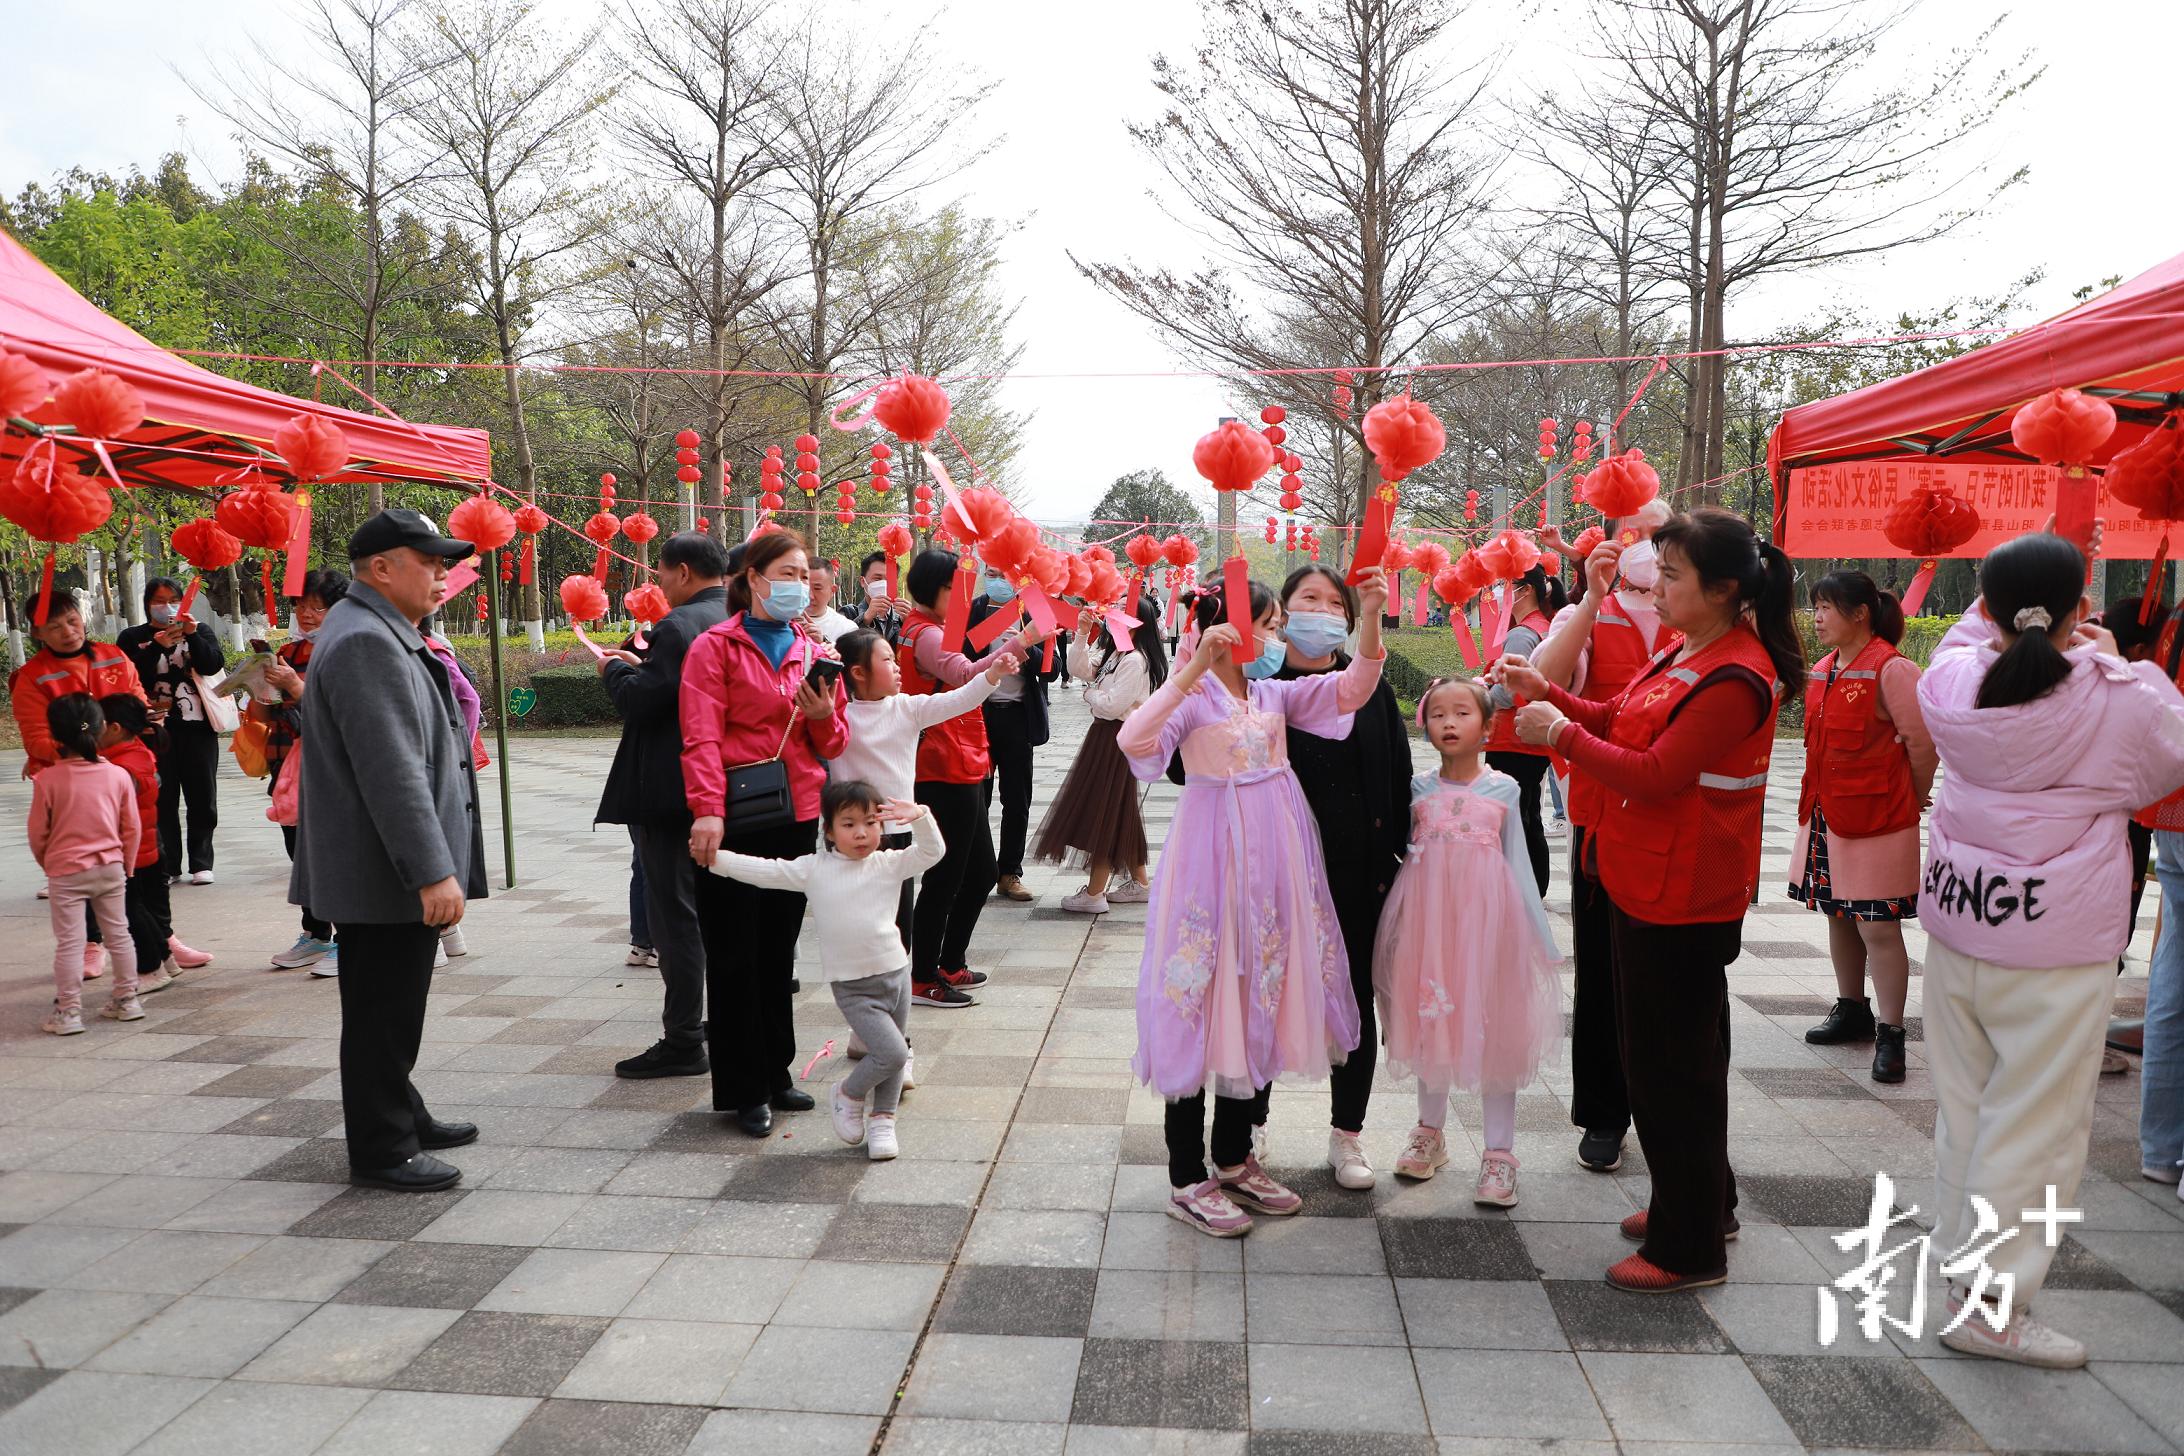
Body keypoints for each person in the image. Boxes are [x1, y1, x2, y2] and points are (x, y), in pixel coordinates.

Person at [1505, 507, 1801, 1294]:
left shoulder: (1736, 675)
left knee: (1672, 1069)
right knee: (1679, 1060)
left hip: (1685, 888)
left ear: (1726, 590)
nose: (1656, 587)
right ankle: (1702, 1201)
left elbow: (1660, 771)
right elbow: (1622, 721)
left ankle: (1687, 1246)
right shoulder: (1687, 649)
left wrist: (1557, 738)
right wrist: (1555, 699)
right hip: (1642, 871)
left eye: (1671, 576)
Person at [1913, 530, 2184, 1366]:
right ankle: (1991, 1309)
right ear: (2080, 611)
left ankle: (1965, 1277)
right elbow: (2167, 756)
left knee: (1968, 1112)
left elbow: (1969, 637)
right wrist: (2121, 661)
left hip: (1960, 930)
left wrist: (2026, 616)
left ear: (1986, 607)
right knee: (2038, 1131)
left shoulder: (1951, 681)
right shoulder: (2122, 697)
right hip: (2059, 948)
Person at [1117, 569, 1389, 1237]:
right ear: (1228, 631)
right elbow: (1135, 742)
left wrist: (1375, 614)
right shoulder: (1194, 697)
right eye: (1267, 626)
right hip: (1210, 863)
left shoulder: (1274, 692)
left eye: (1273, 626)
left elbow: (1353, 687)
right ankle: (1187, 1174)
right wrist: (1187, 671)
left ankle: (1234, 1155)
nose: (1277, 637)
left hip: (1274, 861)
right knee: (1197, 997)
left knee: (1256, 989)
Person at [292, 508, 486, 1192]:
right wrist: (432, 871)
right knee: (382, 1010)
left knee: (393, 1003)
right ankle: (382, 1147)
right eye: (429, 560)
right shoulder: (367, 641)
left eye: (443, 561)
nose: (442, 573)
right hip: (385, 871)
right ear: (381, 568)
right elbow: (392, 770)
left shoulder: (378, 630)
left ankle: (401, 1109)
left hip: (383, 866)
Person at [681, 527, 847, 1135]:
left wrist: (825, 717)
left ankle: (776, 1072)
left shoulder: (813, 651)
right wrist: (706, 808)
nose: (798, 586)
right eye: (787, 574)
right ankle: (744, 1086)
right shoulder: (715, 647)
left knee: (778, 951)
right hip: (730, 812)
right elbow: (699, 735)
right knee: (732, 952)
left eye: (805, 576)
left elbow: (833, 743)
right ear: (753, 579)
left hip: (795, 812)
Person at [1528, 496, 1676, 1173]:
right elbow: (1546, 684)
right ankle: (1605, 1116)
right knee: (1604, 968)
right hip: (1600, 818)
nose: (1647, 546)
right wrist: (1590, 595)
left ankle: (1670, 1113)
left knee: (1674, 976)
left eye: (1659, 534)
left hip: (1678, 819)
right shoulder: (1585, 613)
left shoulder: (1696, 617)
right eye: (1635, 533)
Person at [1374, 678, 1560, 1203]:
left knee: (1495, 1029)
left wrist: (1538, 936)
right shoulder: (1418, 790)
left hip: (1491, 928)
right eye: (1438, 714)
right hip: (1429, 927)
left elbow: (1517, 860)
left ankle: (1499, 1154)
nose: (1449, 723)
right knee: (1431, 1021)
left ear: (1488, 727)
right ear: (1424, 724)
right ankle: (1428, 1133)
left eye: (1462, 713)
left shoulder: (1503, 788)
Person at [1265, 565, 1411, 1190]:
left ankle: (1347, 1134)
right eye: (1308, 599)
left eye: (1334, 603)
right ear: (1284, 607)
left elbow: (1397, 770)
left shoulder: (1367, 686)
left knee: (1352, 995)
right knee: (1265, 994)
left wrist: (1394, 857)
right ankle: (1250, 1125)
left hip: (1355, 870)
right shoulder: (1256, 685)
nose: (1321, 611)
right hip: (1274, 870)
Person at [704, 781, 945, 1160]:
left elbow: (933, 851)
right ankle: (848, 1093)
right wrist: (715, 860)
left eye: (869, 822)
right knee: (894, 1053)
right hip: (853, 986)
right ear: (829, 831)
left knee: (893, 1057)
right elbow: (765, 871)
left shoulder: (888, 863)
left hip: (895, 974)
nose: (861, 833)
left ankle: (883, 1120)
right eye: (848, 824)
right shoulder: (814, 869)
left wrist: (921, 817)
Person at [1791, 571, 1935, 1082]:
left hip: (1880, 816)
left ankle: (1891, 1034)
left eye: (1827, 607)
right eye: (1815, 607)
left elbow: (1923, 745)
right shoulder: (1823, 668)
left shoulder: (1893, 670)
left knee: (1878, 924)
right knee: (1837, 914)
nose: (1818, 617)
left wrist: (1912, 799)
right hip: (1828, 812)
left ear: (1861, 614)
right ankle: (1851, 1008)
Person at [596, 531, 730, 1079]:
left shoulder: (679, 626)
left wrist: (616, 668)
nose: (660, 584)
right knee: (718, 915)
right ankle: (720, 1026)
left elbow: (643, 700)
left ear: (681, 572)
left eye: (661, 574)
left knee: (674, 916)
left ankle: (682, 1039)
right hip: (729, 787)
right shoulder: (743, 617)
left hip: (674, 789)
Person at [897, 548, 1043, 1007]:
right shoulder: (924, 635)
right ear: (933, 591)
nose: (963, 598)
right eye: (955, 590)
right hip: (942, 764)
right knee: (946, 873)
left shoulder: (931, 630)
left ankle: (949, 962)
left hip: (959, 758)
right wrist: (1020, 642)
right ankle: (922, 976)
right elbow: (963, 675)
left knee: (978, 870)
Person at [1038, 594, 1165, 913]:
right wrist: (1081, 633)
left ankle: (1095, 893)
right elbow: (1080, 667)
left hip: (1116, 739)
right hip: (1106, 737)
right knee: (1120, 810)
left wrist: (1090, 694)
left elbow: (1112, 706)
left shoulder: (1135, 660)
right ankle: (1140, 883)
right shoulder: (1117, 652)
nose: (1112, 614)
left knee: (1105, 811)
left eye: (1120, 610)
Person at [28, 694, 143, 1034]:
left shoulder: (47, 780)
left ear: (55, 736)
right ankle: (127, 1001)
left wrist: (47, 863)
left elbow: (37, 833)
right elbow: (131, 826)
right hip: (110, 867)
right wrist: (129, 864)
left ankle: (69, 1012)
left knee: (71, 943)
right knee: (119, 934)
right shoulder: (118, 775)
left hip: (65, 872)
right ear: (103, 728)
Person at [262, 570, 348, 974]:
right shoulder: (289, 654)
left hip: (331, 768)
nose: (307, 614)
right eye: (300, 605)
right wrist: (260, 689)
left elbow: (338, 710)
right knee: (299, 852)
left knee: (335, 853)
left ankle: (348, 939)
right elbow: (270, 712)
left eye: (318, 606)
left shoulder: (347, 650)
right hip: (289, 766)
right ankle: (315, 934)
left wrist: (295, 688)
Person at [118, 578, 228, 886]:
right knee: (161, 797)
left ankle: (201, 862)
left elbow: (212, 664)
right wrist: (157, 645)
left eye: (173, 599)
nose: (166, 605)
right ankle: (168, 864)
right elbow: (129, 675)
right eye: (158, 600)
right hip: (153, 730)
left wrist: (191, 636)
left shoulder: (199, 631)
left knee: (202, 795)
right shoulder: (132, 637)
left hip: (198, 727)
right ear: (148, 604)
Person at [971, 564, 1061, 903]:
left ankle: (1010, 872)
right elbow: (958, 658)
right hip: (977, 714)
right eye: (992, 572)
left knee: (1017, 798)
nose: (999, 580)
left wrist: (1024, 648)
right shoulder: (974, 609)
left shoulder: (1034, 611)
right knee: (976, 797)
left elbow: (1053, 671)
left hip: (1017, 717)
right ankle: (976, 870)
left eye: (1005, 573)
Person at [1483, 562, 1570, 895]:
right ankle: (1535, 886)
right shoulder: (1545, 627)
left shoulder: (1521, 633)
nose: (1499, 594)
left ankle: (1523, 889)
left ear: (1526, 590)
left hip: (1511, 738)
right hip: (1532, 738)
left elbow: (1509, 690)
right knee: (1528, 811)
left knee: (1516, 817)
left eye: (1505, 586)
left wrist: (1478, 697)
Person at [97, 694, 182, 995]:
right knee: (140, 909)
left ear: (115, 728)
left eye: (97, 724)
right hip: (141, 849)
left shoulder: (122, 764)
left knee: (130, 913)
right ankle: (166, 959)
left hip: (129, 852)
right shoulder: (133, 753)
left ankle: (150, 969)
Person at [12, 589, 144, 779]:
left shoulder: (114, 657)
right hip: (71, 777)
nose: (68, 632)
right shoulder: (32, 677)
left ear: (81, 618)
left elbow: (139, 704)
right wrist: (85, 754)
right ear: (37, 633)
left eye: (72, 621)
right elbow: (37, 738)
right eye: (54, 627)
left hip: (129, 767)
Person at [852, 552, 906, 643]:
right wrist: (865, 620)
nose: (884, 584)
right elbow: (843, 648)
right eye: (877, 579)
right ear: (862, 581)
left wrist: (910, 624)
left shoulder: (901, 617)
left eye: (889, 579)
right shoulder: (849, 613)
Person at [805, 559, 860, 643]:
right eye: (805, 587)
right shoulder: (783, 621)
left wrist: (824, 643)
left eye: (817, 588)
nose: (810, 596)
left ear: (832, 590)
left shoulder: (847, 629)